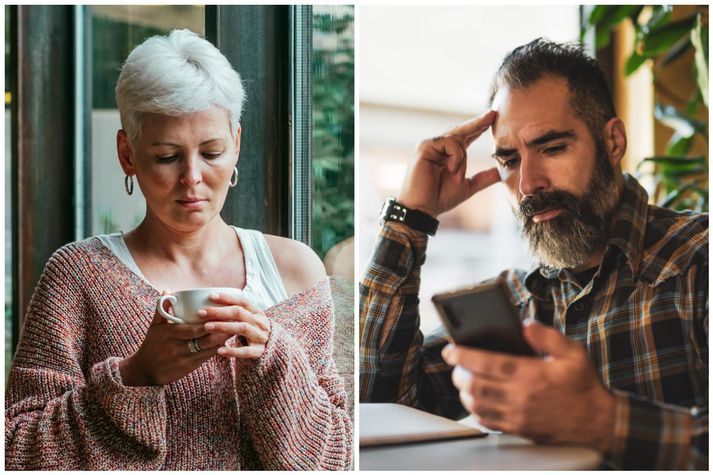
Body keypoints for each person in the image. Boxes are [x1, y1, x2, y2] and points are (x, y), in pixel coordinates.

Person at [6, 29, 351, 470]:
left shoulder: (296, 272)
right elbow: (17, 452)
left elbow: (336, 460)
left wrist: (274, 360)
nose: (192, 177)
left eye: (211, 152)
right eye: (167, 156)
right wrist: (136, 376)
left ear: (237, 144)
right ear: (127, 155)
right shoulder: (78, 275)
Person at [360, 38, 707, 470]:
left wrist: (602, 420)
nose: (528, 184)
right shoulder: (511, 302)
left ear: (613, 142)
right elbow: (377, 405)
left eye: (552, 148)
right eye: (508, 160)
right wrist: (411, 217)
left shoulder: (698, 259)